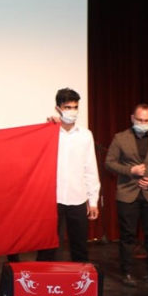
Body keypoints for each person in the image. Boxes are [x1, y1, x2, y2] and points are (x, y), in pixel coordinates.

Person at [105, 104, 148, 287]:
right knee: (127, 236)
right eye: (140, 120)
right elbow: (109, 162)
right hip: (128, 193)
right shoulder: (120, 137)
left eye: (147, 120)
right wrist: (130, 170)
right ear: (132, 118)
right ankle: (127, 272)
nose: (143, 123)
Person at [36, 88, 100, 263]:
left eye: (75, 107)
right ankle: (42, 278)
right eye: (67, 107)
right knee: (47, 247)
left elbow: (90, 169)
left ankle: (81, 279)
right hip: (52, 199)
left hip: (77, 197)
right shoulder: (49, 132)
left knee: (79, 246)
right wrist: (48, 125)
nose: (72, 111)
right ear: (58, 109)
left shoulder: (85, 135)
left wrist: (93, 200)